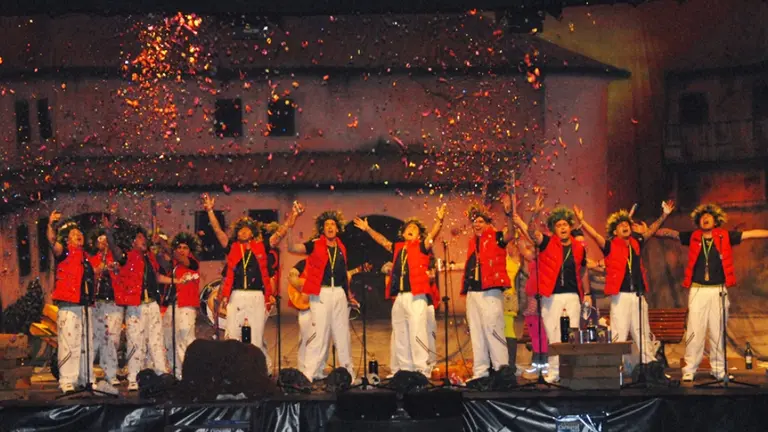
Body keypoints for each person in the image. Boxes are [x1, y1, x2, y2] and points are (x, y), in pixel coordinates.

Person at [655, 203, 768, 382]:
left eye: (709, 217)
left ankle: (719, 370)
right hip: (698, 290)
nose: (705, 219)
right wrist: (659, 220)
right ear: (698, 221)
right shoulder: (693, 237)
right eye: (702, 217)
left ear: (716, 220)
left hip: (718, 290)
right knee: (695, 330)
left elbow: (751, 234)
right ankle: (690, 369)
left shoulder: (725, 236)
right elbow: (667, 233)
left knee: (718, 331)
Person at [202, 194, 300, 368]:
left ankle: (260, 368)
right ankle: (232, 369)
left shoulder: (262, 246)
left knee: (256, 336)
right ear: (237, 233)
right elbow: (218, 231)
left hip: (257, 296)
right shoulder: (232, 247)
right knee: (232, 334)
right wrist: (210, 210)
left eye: (247, 229)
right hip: (236, 296)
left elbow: (280, 233)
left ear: (253, 232)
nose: (244, 231)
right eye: (241, 229)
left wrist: (293, 215)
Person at [575, 201, 674, 371]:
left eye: (626, 224)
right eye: (620, 225)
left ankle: (649, 367)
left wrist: (664, 215)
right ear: (615, 232)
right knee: (618, 333)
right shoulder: (610, 246)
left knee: (643, 333)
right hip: (620, 296)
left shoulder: (636, 243)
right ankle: (614, 368)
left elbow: (650, 231)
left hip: (638, 295)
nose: (625, 226)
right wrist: (582, 222)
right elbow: (595, 236)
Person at [354, 204, 446, 377]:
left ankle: (421, 369)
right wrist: (368, 229)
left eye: (415, 228)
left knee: (418, 332)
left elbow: (432, 235)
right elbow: (382, 241)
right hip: (400, 297)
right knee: (400, 333)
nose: (411, 229)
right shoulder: (397, 248)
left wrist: (439, 221)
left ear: (419, 235)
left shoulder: (421, 246)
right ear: (403, 233)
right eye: (408, 228)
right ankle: (402, 369)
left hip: (417, 296)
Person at [513, 204, 591, 384]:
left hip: (572, 296)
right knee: (553, 334)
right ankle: (554, 371)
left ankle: (570, 371)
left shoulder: (579, 248)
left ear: (570, 227)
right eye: (559, 225)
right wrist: (536, 211)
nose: (563, 227)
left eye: (565, 224)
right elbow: (532, 233)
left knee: (571, 334)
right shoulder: (547, 242)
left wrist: (587, 293)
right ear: (554, 229)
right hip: (551, 297)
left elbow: (583, 270)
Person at [114, 225, 189, 391]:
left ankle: (161, 373)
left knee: (156, 340)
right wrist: (108, 232)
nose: (144, 240)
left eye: (144, 238)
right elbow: (116, 252)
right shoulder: (127, 257)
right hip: (136, 305)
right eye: (140, 238)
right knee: (135, 341)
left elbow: (157, 276)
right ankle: (133, 376)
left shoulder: (150, 258)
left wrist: (176, 281)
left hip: (153, 304)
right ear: (133, 241)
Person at [287, 209, 357, 381]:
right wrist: (290, 224)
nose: (330, 227)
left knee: (342, 335)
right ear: (322, 229)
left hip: (339, 293)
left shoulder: (342, 247)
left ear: (337, 228)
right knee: (318, 334)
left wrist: (349, 296)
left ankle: (348, 373)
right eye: (327, 225)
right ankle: (309, 373)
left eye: (333, 224)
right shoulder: (315, 244)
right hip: (321, 293)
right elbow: (291, 247)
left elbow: (342, 274)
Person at [461, 197, 516, 380]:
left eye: (481, 221)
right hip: (473, 293)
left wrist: (509, 214)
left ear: (487, 223)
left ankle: (502, 372)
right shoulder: (471, 242)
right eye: (474, 221)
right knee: (477, 334)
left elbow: (511, 234)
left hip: (490, 292)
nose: (477, 224)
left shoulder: (497, 237)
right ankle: (480, 373)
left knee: (494, 330)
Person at [47, 211, 96, 394]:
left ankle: (86, 378)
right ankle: (67, 380)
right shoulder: (64, 251)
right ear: (67, 239)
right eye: (74, 234)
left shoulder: (86, 257)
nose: (78, 235)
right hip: (68, 304)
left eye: (80, 233)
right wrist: (51, 225)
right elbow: (52, 242)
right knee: (69, 343)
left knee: (86, 344)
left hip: (85, 305)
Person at [86, 219, 124, 387]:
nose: (102, 242)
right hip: (98, 303)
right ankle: (89, 376)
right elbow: (91, 272)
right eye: (99, 240)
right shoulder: (92, 259)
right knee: (95, 339)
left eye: (105, 239)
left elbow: (122, 270)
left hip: (114, 303)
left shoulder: (116, 256)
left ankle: (110, 373)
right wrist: (101, 267)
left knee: (113, 339)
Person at [163, 232, 202, 379]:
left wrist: (163, 244)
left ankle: (191, 373)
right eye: (179, 247)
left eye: (185, 247)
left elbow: (179, 258)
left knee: (186, 340)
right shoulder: (174, 266)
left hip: (187, 306)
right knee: (169, 339)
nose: (181, 250)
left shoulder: (193, 263)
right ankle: (176, 372)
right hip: (172, 306)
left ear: (190, 250)